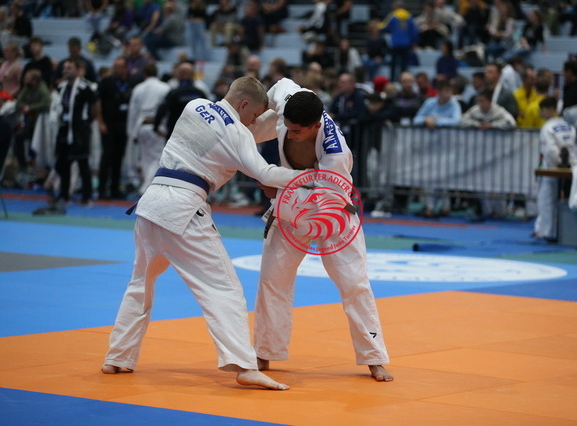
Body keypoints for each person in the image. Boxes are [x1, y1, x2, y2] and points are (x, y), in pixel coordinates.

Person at [101, 76, 304, 390]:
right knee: (224, 288)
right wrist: (308, 176)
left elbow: (237, 132)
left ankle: (118, 357)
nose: (252, 122)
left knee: (140, 283)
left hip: (150, 205)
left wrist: (270, 117)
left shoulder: (195, 106)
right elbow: (264, 172)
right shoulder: (237, 132)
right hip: (183, 210)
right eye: (252, 115)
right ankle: (244, 365)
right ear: (244, 104)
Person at [248, 77, 393, 382]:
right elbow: (279, 86)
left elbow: (325, 203)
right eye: (288, 127)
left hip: (334, 215)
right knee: (272, 279)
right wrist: (257, 116)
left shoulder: (336, 153)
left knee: (354, 284)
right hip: (290, 210)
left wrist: (276, 190)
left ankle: (374, 357)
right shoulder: (291, 100)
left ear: (316, 126)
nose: (290, 133)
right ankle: (265, 350)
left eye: (297, 131)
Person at [33, 59, 97, 215]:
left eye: (69, 68)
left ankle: (86, 197)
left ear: (78, 70)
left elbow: (95, 107)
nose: (65, 70)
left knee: (83, 164)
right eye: (64, 68)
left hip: (79, 131)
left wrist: (86, 123)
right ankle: (64, 195)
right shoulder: (61, 87)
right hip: (63, 130)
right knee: (63, 164)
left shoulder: (86, 87)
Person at [533, 96, 576, 241]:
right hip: (568, 167)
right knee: (564, 200)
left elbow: (550, 151)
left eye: (541, 110)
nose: (540, 113)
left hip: (551, 169)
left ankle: (547, 232)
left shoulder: (547, 128)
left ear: (549, 109)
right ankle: (562, 231)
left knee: (546, 201)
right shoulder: (569, 126)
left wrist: (556, 164)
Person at [127, 62, 170, 195]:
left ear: (144, 74)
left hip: (141, 125)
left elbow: (133, 111)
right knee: (157, 157)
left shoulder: (138, 88)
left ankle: (146, 184)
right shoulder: (165, 87)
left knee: (145, 158)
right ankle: (146, 186)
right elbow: (166, 110)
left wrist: (131, 132)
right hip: (157, 126)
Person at [96, 56, 133, 200]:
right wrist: (100, 122)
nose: (116, 70)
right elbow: (98, 102)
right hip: (108, 124)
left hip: (123, 125)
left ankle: (114, 189)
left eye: (120, 67)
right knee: (107, 157)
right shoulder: (106, 82)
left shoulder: (131, 82)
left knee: (118, 158)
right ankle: (101, 189)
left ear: (126, 68)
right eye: (115, 67)